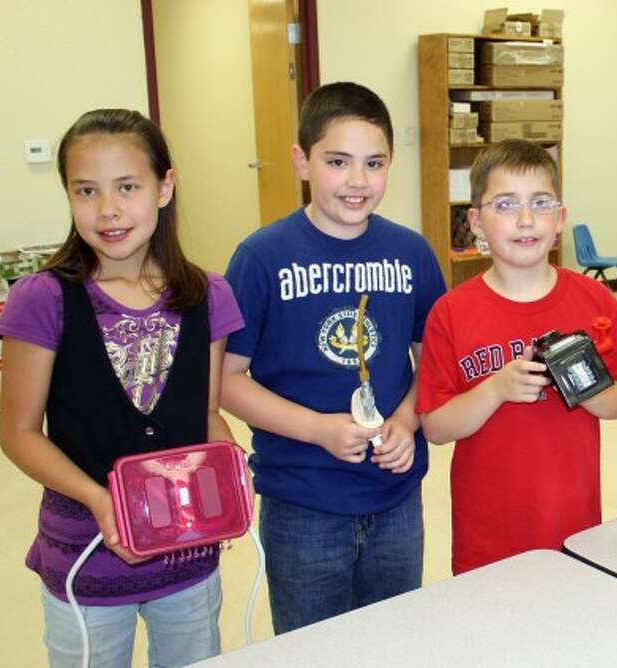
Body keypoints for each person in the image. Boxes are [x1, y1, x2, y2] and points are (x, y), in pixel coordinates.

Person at [0, 108, 244, 666]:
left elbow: (204, 412)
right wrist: (96, 498)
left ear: (165, 186)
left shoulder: (209, 295)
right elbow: (18, 433)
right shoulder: (43, 299)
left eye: (127, 187)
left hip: (187, 551)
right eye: (86, 190)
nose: (108, 209)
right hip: (85, 556)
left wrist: (226, 459)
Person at [220, 82, 446, 634]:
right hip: (303, 501)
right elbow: (225, 380)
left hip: (396, 496)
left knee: (393, 639)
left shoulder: (411, 252)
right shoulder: (261, 257)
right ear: (302, 160)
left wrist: (407, 418)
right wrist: (318, 429)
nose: (357, 181)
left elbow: (436, 358)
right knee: (313, 644)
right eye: (337, 161)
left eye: (374, 163)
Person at [416, 139, 617, 574]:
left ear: (559, 219)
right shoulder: (451, 312)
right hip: (487, 531)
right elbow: (436, 428)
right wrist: (497, 389)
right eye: (504, 205)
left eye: (540, 203)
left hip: (571, 525)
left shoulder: (594, 300)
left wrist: (583, 387)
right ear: (476, 222)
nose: (525, 220)